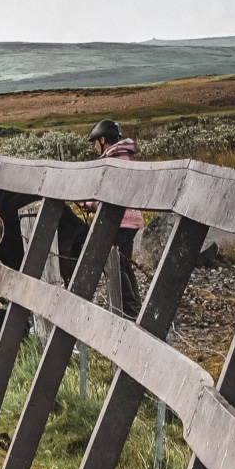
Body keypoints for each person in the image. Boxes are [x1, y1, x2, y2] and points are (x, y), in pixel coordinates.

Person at [88, 118, 143, 319]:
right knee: (125, 264)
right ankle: (136, 308)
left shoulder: (112, 162)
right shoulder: (125, 159)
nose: (95, 147)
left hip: (120, 221)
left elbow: (108, 197)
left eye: (95, 141)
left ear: (103, 139)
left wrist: (89, 204)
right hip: (133, 219)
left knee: (114, 264)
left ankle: (128, 311)